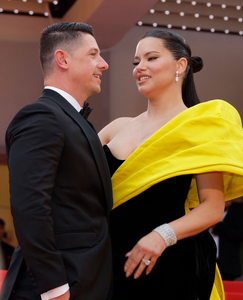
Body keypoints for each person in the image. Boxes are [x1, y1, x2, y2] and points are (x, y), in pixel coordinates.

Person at [99, 29, 243, 299]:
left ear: (181, 65)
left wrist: (161, 236)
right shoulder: (116, 128)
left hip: (168, 265)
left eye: (151, 58)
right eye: (136, 61)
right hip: (107, 264)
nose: (140, 67)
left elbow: (212, 208)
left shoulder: (199, 127)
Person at [0, 22, 113, 300]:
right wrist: (54, 287)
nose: (104, 63)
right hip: (57, 289)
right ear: (62, 59)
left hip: (84, 281)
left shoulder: (73, 120)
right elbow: (30, 208)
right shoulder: (41, 116)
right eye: (93, 54)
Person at [212, 199, 243, 281]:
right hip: (207, 262)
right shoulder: (207, 214)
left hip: (227, 264)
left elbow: (239, 235)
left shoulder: (237, 215)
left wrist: (217, 226)